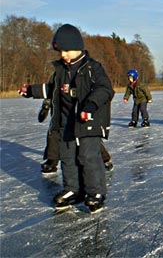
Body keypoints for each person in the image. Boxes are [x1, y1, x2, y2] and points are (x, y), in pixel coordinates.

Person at [18, 24, 114, 213]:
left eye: (67, 50)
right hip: (65, 122)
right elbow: (51, 89)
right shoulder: (61, 70)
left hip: (88, 121)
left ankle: (95, 193)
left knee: (88, 157)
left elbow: (105, 89)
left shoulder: (92, 68)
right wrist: (30, 90)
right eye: (61, 51)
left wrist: (90, 106)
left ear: (78, 47)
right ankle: (73, 190)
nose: (63, 54)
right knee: (68, 158)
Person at [38, 98, 113, 174]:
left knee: (85, 133)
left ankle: (104, 158)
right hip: (59, 106)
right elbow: (50, 89)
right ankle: (52, 160)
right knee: (54, 133)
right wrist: (46, 104)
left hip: (76, 104)